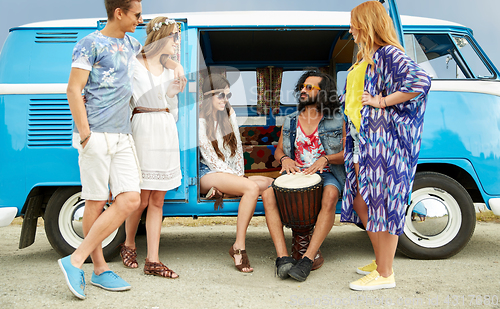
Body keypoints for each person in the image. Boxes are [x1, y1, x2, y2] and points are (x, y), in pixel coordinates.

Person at [61, 0, 145, 299]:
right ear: (118, 12)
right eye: (136, 14)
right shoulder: (89, 44)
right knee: (95, 202)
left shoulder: (134, 45)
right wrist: (85, 135)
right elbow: (73, 89)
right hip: (96, 135)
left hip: (122, 135)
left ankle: (74, 259)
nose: (140, 19)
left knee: (130, 199)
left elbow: (155, 61)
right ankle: (98, 270)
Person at [342, 0, 431, 291]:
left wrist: (381, 101)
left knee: (382, 202)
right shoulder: (365, 56)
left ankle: (385, 273)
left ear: (366, 24)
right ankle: (381, 258)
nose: (351, 28)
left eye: (354, 22)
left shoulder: (387, 53)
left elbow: (420, 81)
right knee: (362, 200)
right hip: (361, 138)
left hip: (382, 143)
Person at [261, 70, 345, 282]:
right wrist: (284, 160)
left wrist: (326, 159)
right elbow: (279, 151)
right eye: (302, 87)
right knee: (268, 194)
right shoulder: (290, 121)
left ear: (323, 92)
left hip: (327, 174)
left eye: (309, 87)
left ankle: (307, 259)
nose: (303, 91)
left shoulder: (338, 119)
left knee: (330, 196)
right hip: (296, 174)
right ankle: (283, 258)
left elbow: (349, 153)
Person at [120, 17, 183, 279]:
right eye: (175, 37)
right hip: (143, 129)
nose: (178, 43)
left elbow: (174, 110)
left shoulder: (171, 70)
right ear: (162, 38)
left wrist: (173, 89)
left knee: (158, 199)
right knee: (141, 198)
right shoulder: (133, 65)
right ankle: (129, 243)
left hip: (166, 129)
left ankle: (153, 260)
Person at [199, 74, 273, 273]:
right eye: (220, 95)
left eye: (228, 95)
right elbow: (210, 157)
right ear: (208, 96)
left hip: (227, 173)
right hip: (208, 172)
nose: (225, 99)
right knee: (250, 187)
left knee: (270, 183)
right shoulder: (199, 120)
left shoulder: (229, 115)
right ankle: (238, 247)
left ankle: (225, 191)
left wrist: (238, 176)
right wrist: (239, 181)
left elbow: (238, 150)